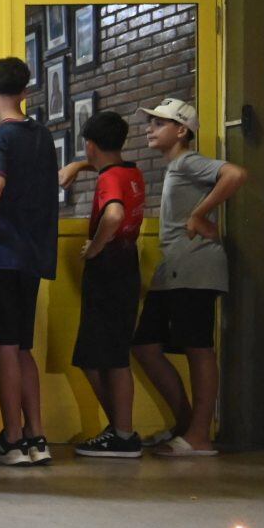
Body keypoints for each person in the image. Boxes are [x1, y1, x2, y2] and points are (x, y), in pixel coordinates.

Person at [134, 97, 247, 457]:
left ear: (181, 130)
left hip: (196, 267)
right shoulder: (177, 167)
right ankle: (186, 426)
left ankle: (199, 435)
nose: (150, 129)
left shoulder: (188, 162)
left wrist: (199, 214)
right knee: (145, 345)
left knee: (199, 349)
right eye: (150, 123)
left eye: (159, 123)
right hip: (175, 269)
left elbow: (236, 174)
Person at [0, 58, 59, 467]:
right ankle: (37, 435)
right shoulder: (42, 135)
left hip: (0, 255)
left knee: (3, 346)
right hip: (34, 254)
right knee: (22, 347)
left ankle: (13, 438)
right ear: (25, 92)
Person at [59, 111, 147, 458]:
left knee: (103, 357)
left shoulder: (109, 180)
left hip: (108, 268)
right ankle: (120, 430)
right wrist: (80, 166)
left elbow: (113, 214)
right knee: (110, 355)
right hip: (128, 267)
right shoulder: (132, 171)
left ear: (90, 144)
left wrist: (94, 247)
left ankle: (122, 433)